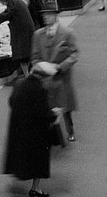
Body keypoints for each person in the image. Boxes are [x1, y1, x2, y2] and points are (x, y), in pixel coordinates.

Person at [3, 61, 61, 197]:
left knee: (20, 156)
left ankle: (20, 175)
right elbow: (43, 113)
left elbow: (11, 102)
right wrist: (56, 114)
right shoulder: (39, 89)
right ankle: (36, 188)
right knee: (39, 160)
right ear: (44, 77)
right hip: (36, 132)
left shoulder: (19, 83)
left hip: (18, 128)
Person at [31, 8, 79, 142]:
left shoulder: (67, 33)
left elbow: (74, 55)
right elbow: (34, 56)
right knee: (45, 106)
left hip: (62, 77)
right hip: (44, 77)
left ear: (56, 16)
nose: (45, 18)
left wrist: (61, 66)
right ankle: (48, 133)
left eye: (48, 15)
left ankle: (70, 130)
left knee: (65, 106)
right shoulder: (37, 35)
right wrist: (40, 66)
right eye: (44, 15)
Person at [0, 0, 35, 76]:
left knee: (22, 54)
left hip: (22, 31)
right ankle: (26, 73)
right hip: (25, 30)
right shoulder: (15, 0)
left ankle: (26, 75)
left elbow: (7, 14)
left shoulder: (12, 1)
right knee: (26, 53)